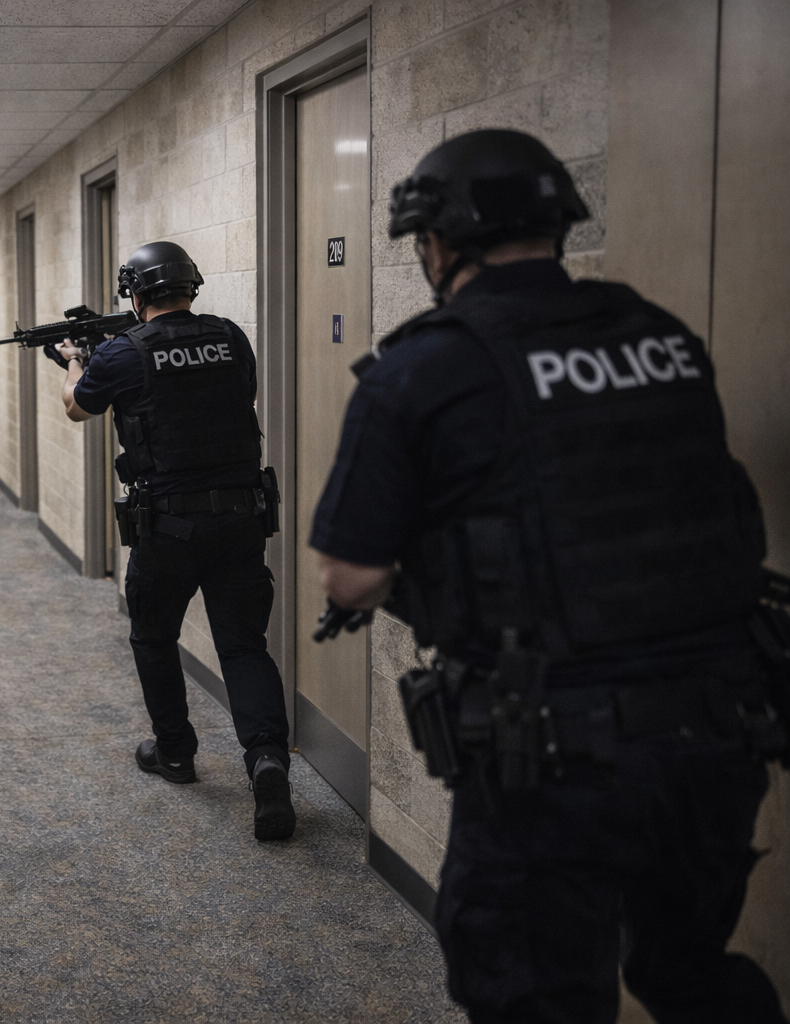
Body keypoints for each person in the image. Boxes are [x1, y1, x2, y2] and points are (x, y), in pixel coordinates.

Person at [310, 128, 786, 1023]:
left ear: (438, 242)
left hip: (555, 754)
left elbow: (350, 578)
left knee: (536, 995)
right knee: (691, 972)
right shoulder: (658, 333)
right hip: (719, 729)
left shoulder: (421, 368)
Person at [54, 241, 296, 841]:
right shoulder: (231, 337)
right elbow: (243, 397)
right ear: (191, 286)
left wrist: (74, 362)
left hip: (167, 527)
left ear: (136, 295)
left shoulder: (122, 352)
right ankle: (267, 759)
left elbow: (77, 408)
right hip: (240, 518)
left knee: (154, 637)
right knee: (245, 647)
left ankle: (176, 753)